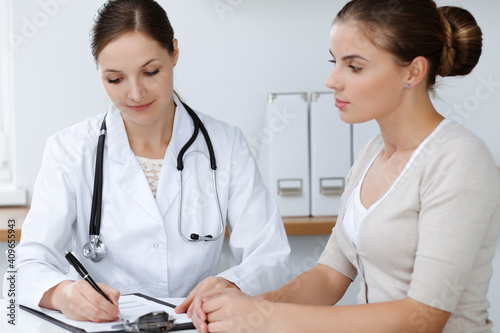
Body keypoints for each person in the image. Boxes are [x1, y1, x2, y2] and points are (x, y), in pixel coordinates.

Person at [190, 0, 500, 332]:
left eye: (353, 66)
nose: (332, 80)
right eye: (334, 61)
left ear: (413, 71)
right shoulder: (372, 154)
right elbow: (329, 275)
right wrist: (249, 303)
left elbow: (422, 318)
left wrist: (265, 318)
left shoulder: (458, 159)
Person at [3, 0, 290, 323]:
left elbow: (270, 256)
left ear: (175, 53)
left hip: (195, 325)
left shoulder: (226, 146)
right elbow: (22, 266)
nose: (136, 93)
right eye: (115, 79)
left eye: (151, 72)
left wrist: (231, 282)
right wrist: (63, 293)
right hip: (103, 327)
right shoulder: (69, 151)